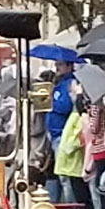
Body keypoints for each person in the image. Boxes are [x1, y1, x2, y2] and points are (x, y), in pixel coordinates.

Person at [45, 60, 77, 201]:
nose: (57, 67)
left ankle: (71, 207)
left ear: (69, 66)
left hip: (63, 134)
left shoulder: (70, 84)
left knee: (65, 176)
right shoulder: (58, 84)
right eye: (56, 64)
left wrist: (51, 99)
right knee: (58, 174)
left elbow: (65, 107)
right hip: (54, 134)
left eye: (60, 64)